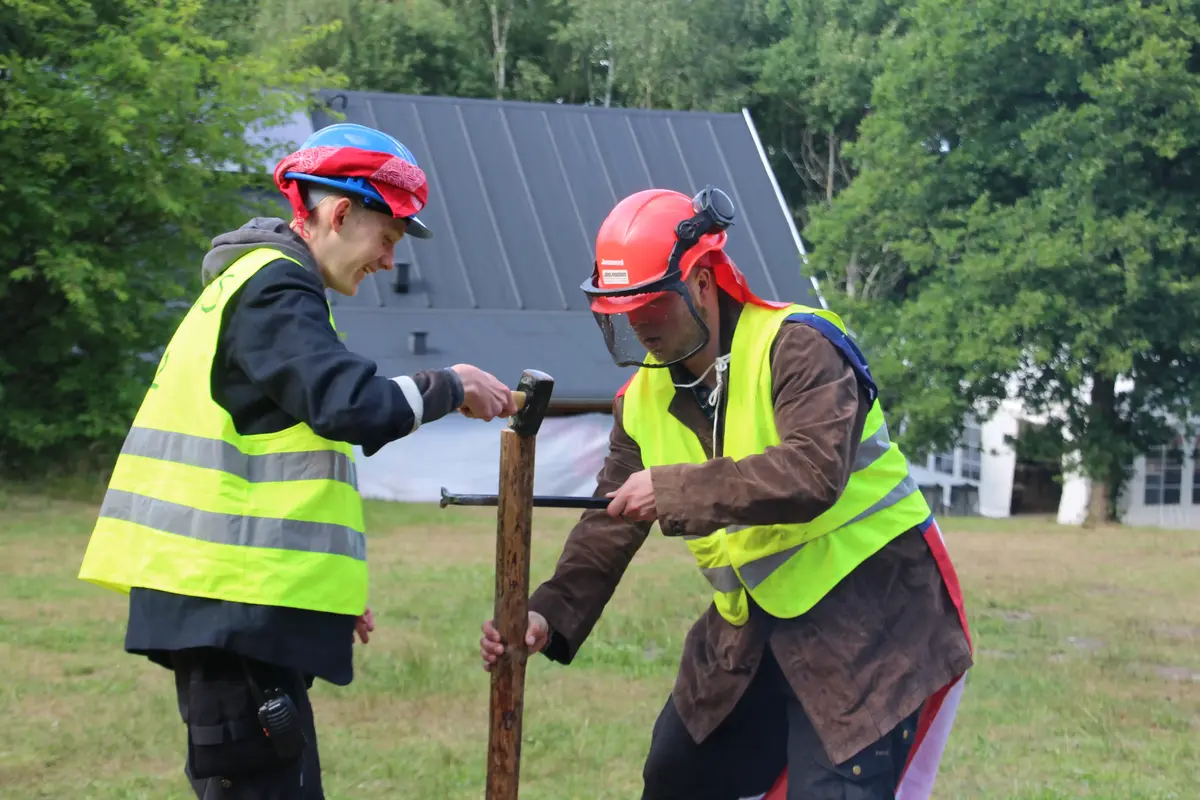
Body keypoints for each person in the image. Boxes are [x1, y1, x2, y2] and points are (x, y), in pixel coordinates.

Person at [479, 186, 974, 800]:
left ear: (705, 282)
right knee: (675, 779)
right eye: (622, 310)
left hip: (872, 630)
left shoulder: (801, 347)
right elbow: (608, 523)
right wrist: (545, 616)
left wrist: (676, 489)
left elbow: (812, 471)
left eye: (653, 304)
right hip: (749, 640)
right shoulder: (641, 401)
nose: (638, 323)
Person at [78, 122, 518, 799]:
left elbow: (280, 466)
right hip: (229, 613)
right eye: (387, 238)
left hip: (240, 610)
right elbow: (350, 404)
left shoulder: (265, 291)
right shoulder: (275, 291)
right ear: (339, 213)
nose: (388, 262)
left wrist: (320, 600)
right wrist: (451, 385)